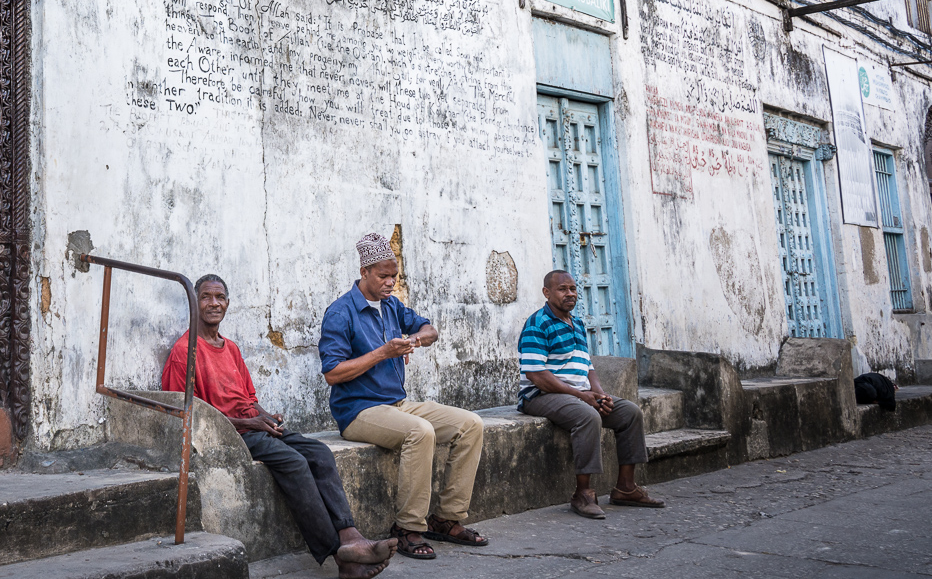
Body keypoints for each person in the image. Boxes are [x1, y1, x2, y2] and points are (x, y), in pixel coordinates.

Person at [162, 274, 396, 579]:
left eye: (220, 298)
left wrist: (266, 415)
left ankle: (351, 537)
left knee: (319, 452)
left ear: (228, 304)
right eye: (206, 297)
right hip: (230, 433)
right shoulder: (185, 351)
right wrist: (250, 421)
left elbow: (248, 397)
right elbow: (189, 413)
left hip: (253, 425)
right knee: (295, 463)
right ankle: (340, 554)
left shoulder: (229, 348)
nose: (214, 303)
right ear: (195, 302)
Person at [318, 233, 488, 561]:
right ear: (364, 271)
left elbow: (429, 329)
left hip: (397, 403)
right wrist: (382, 352)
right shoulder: (341, 312)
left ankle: (447, 519)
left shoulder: (392, 306)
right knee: (418, 431)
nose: (390, 282)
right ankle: (408, 528)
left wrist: (417, 339)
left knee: (470, 424)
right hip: (357, 410)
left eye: (394, 276)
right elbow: (333, 373)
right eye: (383, 276)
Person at [517, 269, 666, 518]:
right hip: (540, 396)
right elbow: (536, 375)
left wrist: (599, 393)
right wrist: (581, 396)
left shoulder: (576, 323)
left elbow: (588, 366)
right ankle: (583, 493)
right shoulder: (537, 324)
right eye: (562, 289)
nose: (570, 294)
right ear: (547, 292)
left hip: (577, 393)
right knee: (588, 416)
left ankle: (626, 488)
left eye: (573, 289)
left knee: (629, 412)